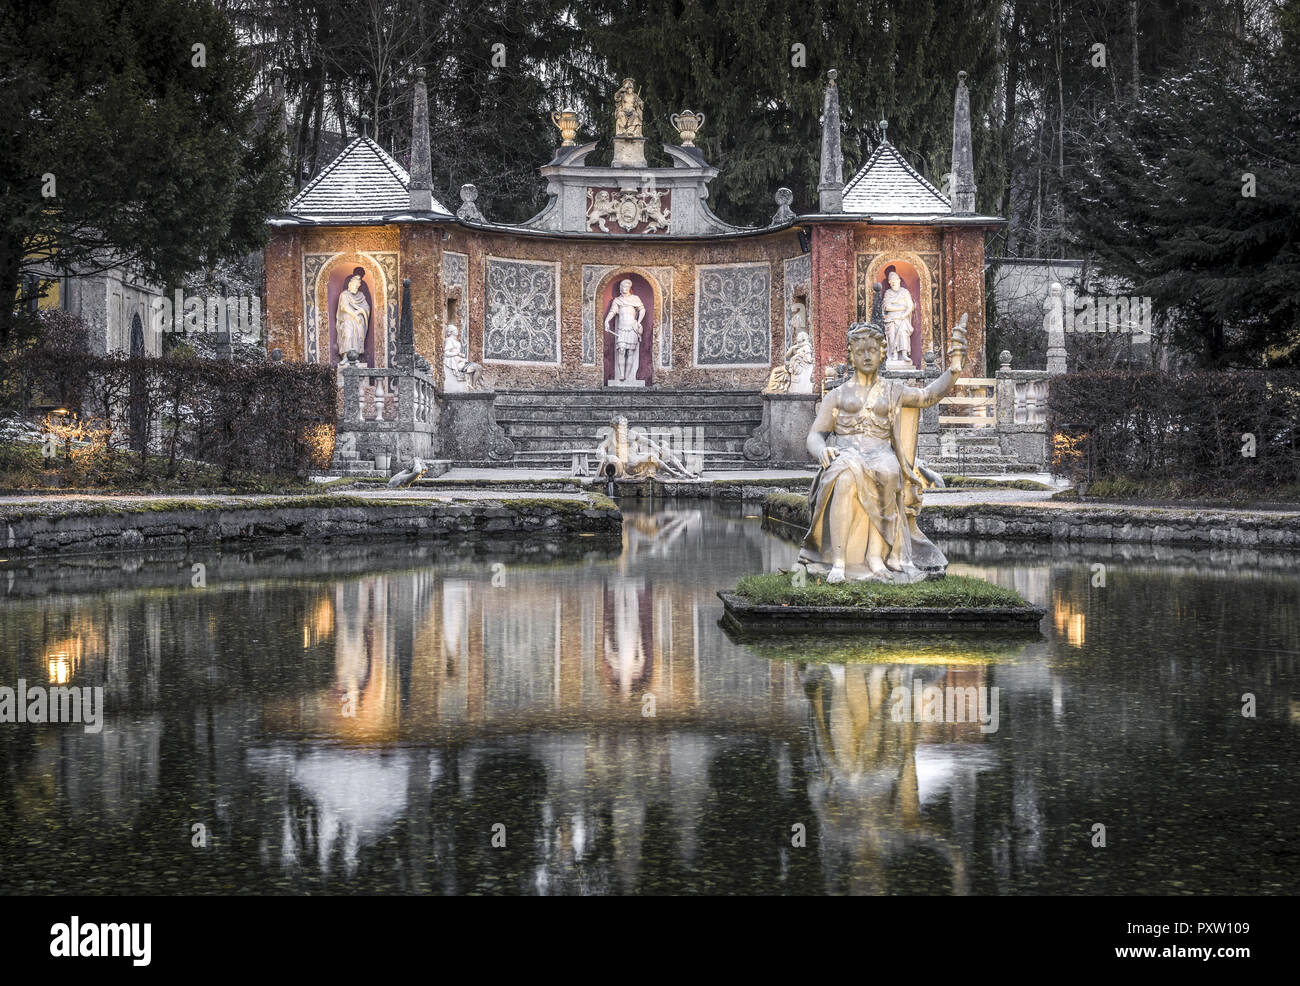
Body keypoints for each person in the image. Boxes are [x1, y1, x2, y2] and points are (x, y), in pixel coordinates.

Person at [800, 315, 967, 583]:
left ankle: (877, 559)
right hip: (846, 453)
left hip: (881, 454)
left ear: (883, 354)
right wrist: (822, 451)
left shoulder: (893, 390)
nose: (867, 356)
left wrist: (954, 369)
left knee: (889, 472)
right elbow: (815, 435)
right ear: (851, 356)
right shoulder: (838, 395)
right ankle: (840, 562)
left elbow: (927, 396)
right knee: (843, 477)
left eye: (872, 351)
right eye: (860, 351)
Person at [603, 279, 645, 383]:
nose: (624, 288)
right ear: (620, 288)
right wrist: (607, 321)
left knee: (630, 352)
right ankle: (621, 374)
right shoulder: (617, 300)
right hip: (621, 328)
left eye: (626, 287)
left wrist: (639, 322)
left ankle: (628, 376)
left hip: (632, 327)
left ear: (629, 288)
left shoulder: (635, 298)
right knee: (621, 350)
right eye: (622, 287)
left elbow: (642, 310)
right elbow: (612, 311)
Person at [881, 268, 915, 364]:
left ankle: (904, 354)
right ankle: (894, 354)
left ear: (899, 281)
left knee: (903, 334)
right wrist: (901, 306)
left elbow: (910, 306)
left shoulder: (904, 292)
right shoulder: (888, 293)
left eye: (895, 282)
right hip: (891, 319)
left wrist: (904, 313)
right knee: (891, 335)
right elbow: (887, 306)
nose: (893, 284)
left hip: (903, 318)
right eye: (891, 282)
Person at [335, 267, 370, 362]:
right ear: (350, 284)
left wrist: (360, 311)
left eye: (358, 286)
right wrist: (354, 315)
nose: (356, 287)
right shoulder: (344, 295)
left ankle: (355, 357)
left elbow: (366, 308)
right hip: (347, 321)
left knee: (358, 336)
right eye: (355, 285)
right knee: (348, 334)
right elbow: (344, 307)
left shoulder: (361, 295)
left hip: (358, 321)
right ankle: (346, 356)